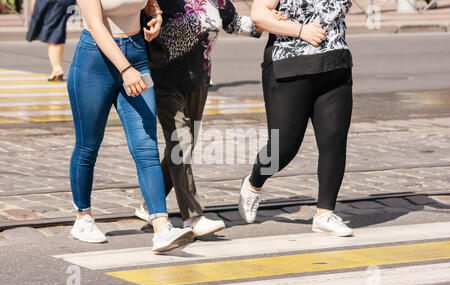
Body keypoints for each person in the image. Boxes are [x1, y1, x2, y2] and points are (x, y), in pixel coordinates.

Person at [134, 0, 281, 238]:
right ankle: (192, 217)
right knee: (181, 143)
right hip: (162, 79)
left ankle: (152, 203)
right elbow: (139, 25)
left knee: (181, 146)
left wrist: (268, 21)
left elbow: (232, 22)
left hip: (198, 80)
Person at [68, 0, 195, 252]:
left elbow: (147, 4)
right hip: (95, 60)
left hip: (136, 54)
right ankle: (83, 217)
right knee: (88, 145)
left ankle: (161, 226)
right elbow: (95, 25)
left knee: (146, 145)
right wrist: (125, 69)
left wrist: (155, 16)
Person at [239, 0, 354, 237]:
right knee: (283, 147)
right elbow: (259, 16)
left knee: (334, 140)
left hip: (335, 64)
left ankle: (324, 213)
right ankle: (254, 182)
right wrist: (301, 30)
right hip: (288, 64)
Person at [26, 0, 76, 81]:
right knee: (58, 28)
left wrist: (33, 5)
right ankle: (56, 68)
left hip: (51, 3)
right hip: (66, 2)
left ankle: (57, 69)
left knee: (53, 31)